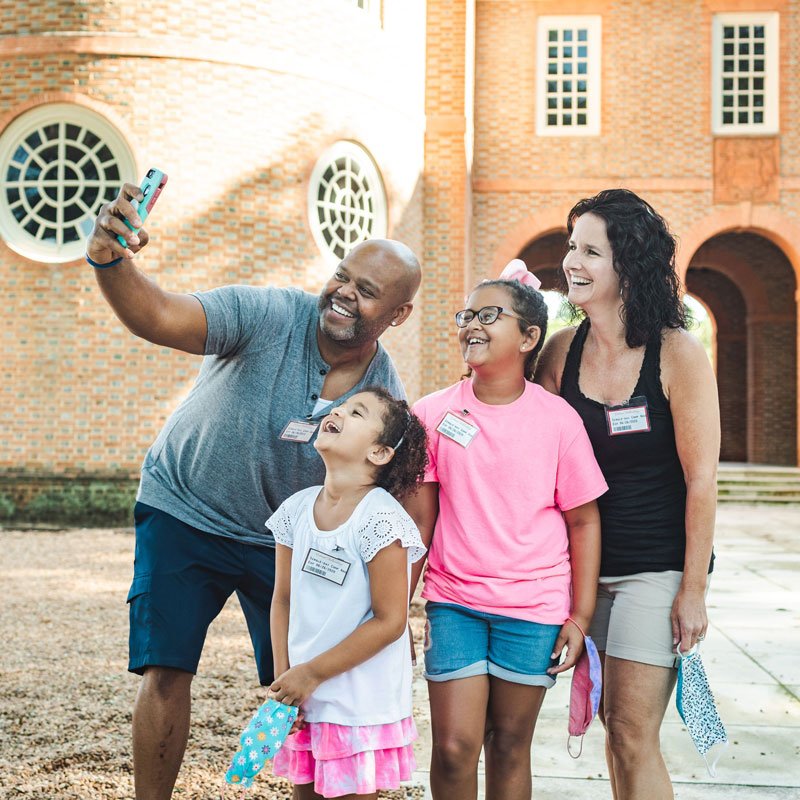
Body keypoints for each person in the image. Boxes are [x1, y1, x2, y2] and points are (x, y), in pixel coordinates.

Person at [85, 181, 422, 800]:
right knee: (167, 668)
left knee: (302, 683)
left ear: (398, 315)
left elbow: (400, 494)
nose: (344, 293)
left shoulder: (383, 392)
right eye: (343, 275)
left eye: (367, 291)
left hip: (283, 539)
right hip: (184, 508)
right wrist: (112, 259)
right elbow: (157, 315)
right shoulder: (268, 314)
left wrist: (399, 607)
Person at [535, 189, 720, 800]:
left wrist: (692, 591)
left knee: (633, 730)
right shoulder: (562, 350)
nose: (572, 262)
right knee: (614, 730)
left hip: (655, 566)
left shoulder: (676, 354)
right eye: (571, 247)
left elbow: (701, 480)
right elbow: (527, 441)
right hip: (584, 569)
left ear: (629, 267)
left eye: (592, 251)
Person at [404, 262, 608, 800]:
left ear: (528, 337)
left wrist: (579, 616)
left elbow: (583, 520)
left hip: (534, 610)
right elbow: (420, 522)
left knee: (509, 745)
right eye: (466, 314)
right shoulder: (431, 413)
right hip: (455, 604)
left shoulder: (559, 420)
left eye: (489, 315)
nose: (472, 324)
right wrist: (395, 609)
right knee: (451, 750)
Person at [267, 387, 428, 799]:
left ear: (379, 453)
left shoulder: (381, 520)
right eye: (339, 407)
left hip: (358, 704)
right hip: (305, 694)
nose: (336, 413)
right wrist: (287, 679)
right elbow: (283, 599)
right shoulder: (295, 510)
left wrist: (311, 674)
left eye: (356, 413)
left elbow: (390, 621)